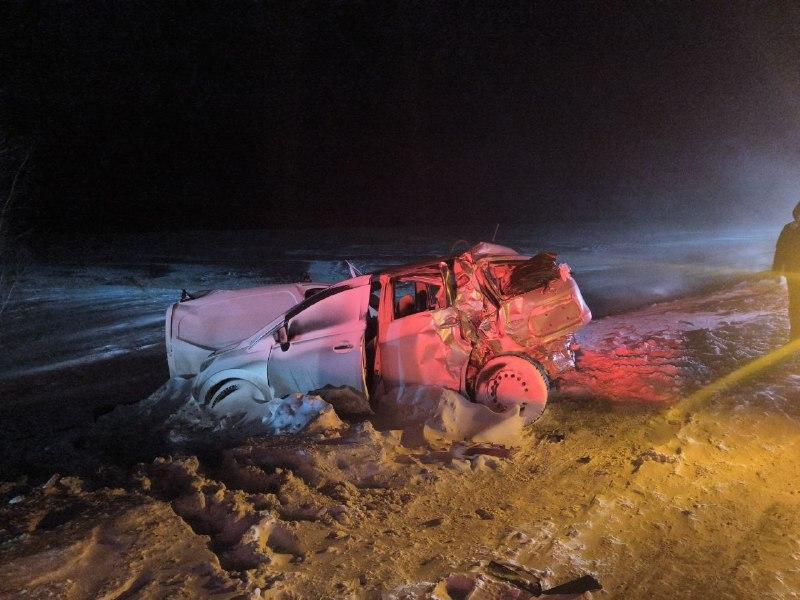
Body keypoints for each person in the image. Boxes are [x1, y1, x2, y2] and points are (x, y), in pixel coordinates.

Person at [773, 202, 800, 340]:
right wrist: (776, 271)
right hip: (793, 272)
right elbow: (780, 251)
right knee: (795, 302)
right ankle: (795, 333)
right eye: (798, 214)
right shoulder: (788, 229)